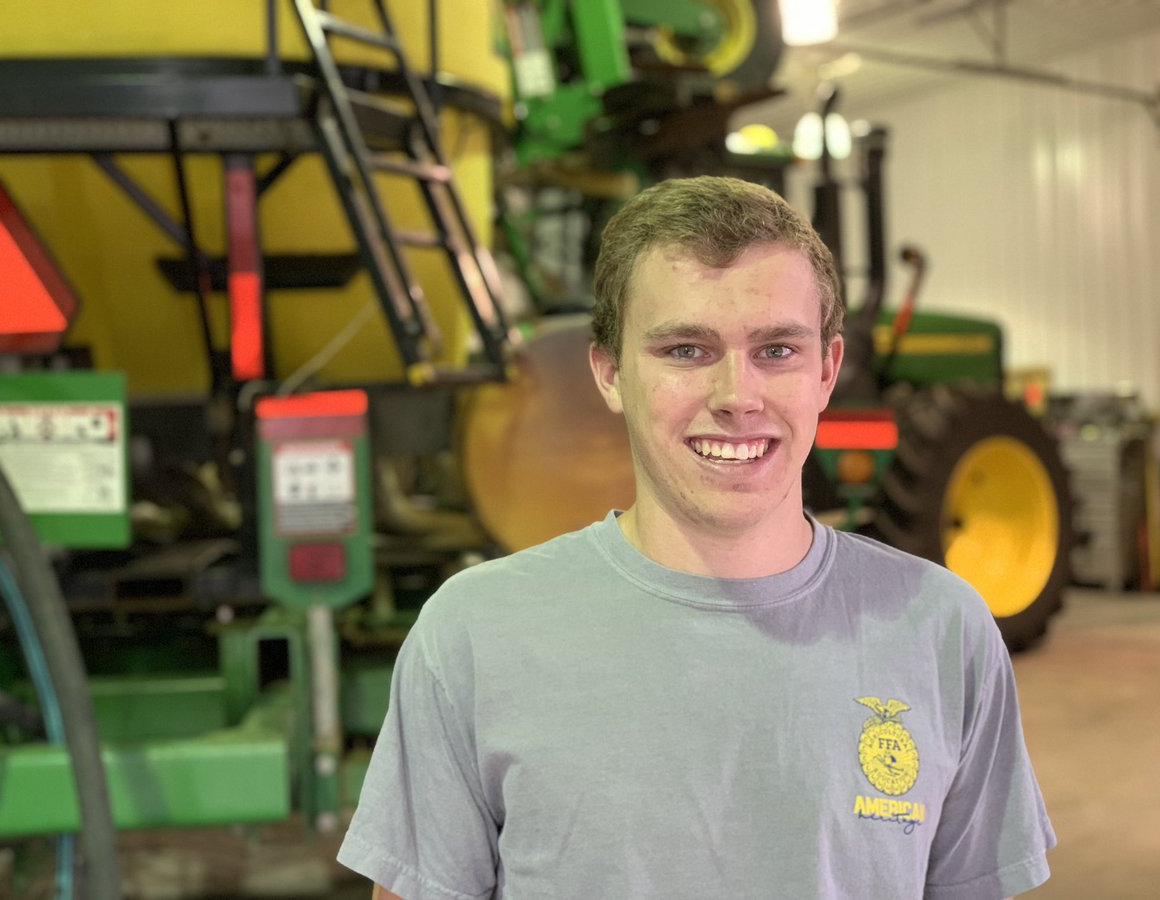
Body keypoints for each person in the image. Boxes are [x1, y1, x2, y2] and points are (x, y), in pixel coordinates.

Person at [338, 176, 1055, 899]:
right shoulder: (473, 635)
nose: (737, 396)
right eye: (686, 350)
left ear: (828, 371)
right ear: (609, 372)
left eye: (777, 350)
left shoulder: (942, 630)